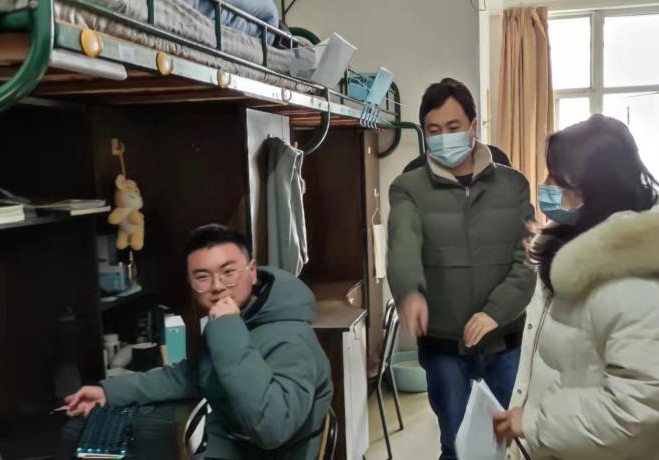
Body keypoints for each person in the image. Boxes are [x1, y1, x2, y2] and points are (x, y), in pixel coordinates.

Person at [494, 115, 659, 460]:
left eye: (557, 180)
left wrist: (536, 422)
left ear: (594, 187)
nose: (545, 186)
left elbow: (640, 411)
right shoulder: (578, 260)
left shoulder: (636, 285)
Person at [62, 224, 333, 460]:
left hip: (265, 453)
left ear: (252, 272)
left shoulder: (289, 338)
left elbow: (272, 428)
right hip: (230, 441)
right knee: (94, 437)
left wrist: (227, 327)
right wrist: (110, 392)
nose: (217, 286)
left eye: (229, 272)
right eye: (202, 277)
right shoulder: (238, 320)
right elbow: (192, 375)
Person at [387, 78, 536, 459]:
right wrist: (409, 291)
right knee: (455, 443)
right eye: (433, 130)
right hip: (443, 345)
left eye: (453, 127)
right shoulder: (408, 188)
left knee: (500, 444)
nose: (443, 138)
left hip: (503, 340)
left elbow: (526, 261)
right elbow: (403, 244)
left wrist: (494, 312)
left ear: (473, 126)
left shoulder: (513, 185)